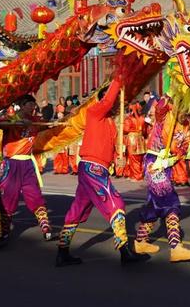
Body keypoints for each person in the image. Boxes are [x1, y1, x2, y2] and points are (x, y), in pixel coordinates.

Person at [56, 74, 150, 266]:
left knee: (77, 209)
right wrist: (119, 77)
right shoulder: (95, 112)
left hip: (98, 168)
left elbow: (109, 145)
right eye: (113, 101)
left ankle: (62, 252)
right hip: (92, 168)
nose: (116, 105)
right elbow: (107, 99)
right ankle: (124, 251)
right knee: (116, 203)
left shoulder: (110, 123)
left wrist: (118, 158)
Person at [133, 97, 190, 263]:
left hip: (166, 165)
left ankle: (140, 242)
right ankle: (176, 248)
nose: (188, 112)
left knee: (154, 205)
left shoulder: (186, 127)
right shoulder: (165, 116)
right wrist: (172, 93)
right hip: (154, 163)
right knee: (170, 203)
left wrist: (170, 160)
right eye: (186, 108)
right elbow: (160, 108)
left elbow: (182, 151)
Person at [0, 95, 54, 243]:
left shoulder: (35, 120)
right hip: (11, 165)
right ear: (22, 106)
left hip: (28, 164)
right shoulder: (10, 118)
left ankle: (46, 227)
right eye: (30, 104)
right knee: (8, 199)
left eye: (34, 104)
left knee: (35, 195)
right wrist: (18, 122)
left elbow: (49, 125)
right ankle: (4, 231)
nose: (33, 107)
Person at [123, 103, 145, 182]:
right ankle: (134, 175)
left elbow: (125, 129)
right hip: (140, 139)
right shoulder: (142, 118)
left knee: (133, 159)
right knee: (140, 158)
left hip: (132, 139)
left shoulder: (129, 119)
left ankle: (137, 176)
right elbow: (145, 130)